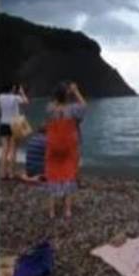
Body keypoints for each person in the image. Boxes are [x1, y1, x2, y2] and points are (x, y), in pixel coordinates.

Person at [44, 81, 86, 219]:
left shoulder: (50, 109)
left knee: (53, 176)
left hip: (53, 147)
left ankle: (51, 212)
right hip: (69, 147)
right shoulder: (73, 110)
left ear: (56, 96)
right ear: (67, 95)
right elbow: (84, 106)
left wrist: (62, 94)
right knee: (68, 175)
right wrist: (75, 91)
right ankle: (67, 211)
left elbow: (54, 105)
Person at [0, 83, 28, 180]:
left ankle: (2, 173)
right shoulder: (15, 97)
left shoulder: (0, 97)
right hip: (15, 123)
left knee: (4, 150)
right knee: (13, 149)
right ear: (12, 88)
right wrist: (22, 92)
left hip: (3, 123)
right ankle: (11, 173)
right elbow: (26, 102)